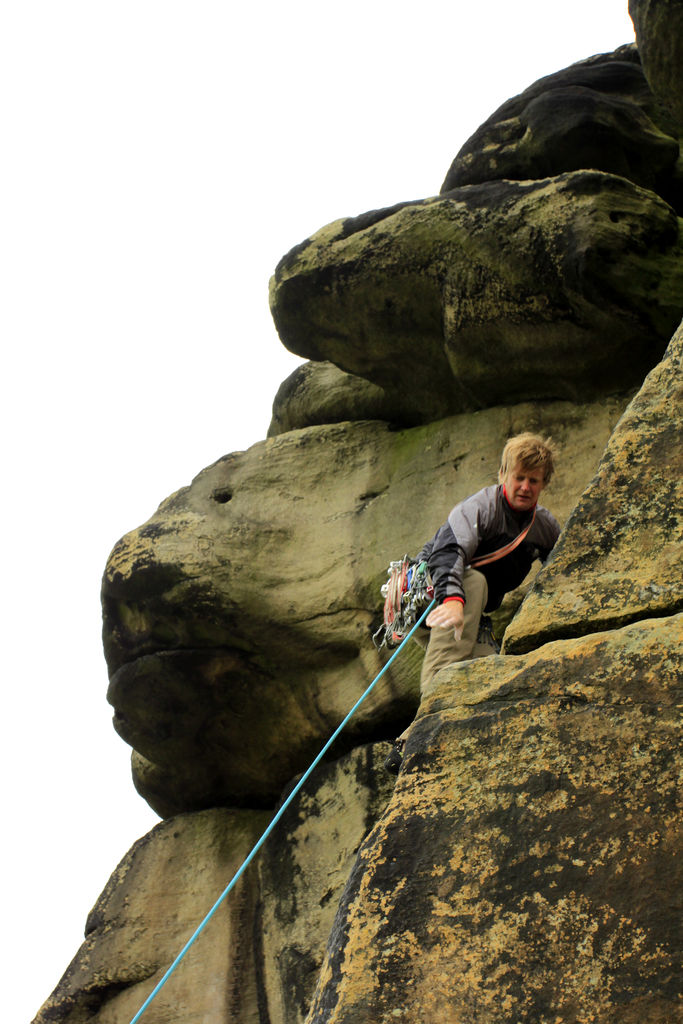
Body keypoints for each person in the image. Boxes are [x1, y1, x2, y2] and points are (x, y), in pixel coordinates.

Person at [387, 433, 560, 772]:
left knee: (485, 668)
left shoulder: (544, 527)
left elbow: (561, 567)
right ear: (503, 475)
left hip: (471, 610)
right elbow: (448, 552)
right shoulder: (480, 508)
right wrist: (451, 599)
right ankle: (424, 729)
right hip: (430, 599)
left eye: (533, 480)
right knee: (474, 583)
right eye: (519, 477)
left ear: (543, 485)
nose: (525, 486)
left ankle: (406, 742)